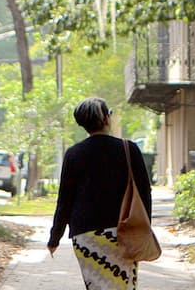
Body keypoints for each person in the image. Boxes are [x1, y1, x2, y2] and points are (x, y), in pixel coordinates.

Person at [48, 97, 152, 290]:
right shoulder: (129, 149)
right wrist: (144, 228)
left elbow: (65, 200)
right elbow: (144, 192)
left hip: (86, 235)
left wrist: (55, 237)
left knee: (97, 286)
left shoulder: (74, 154)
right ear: (106, 119)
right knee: (124, 285)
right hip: (123, 231)